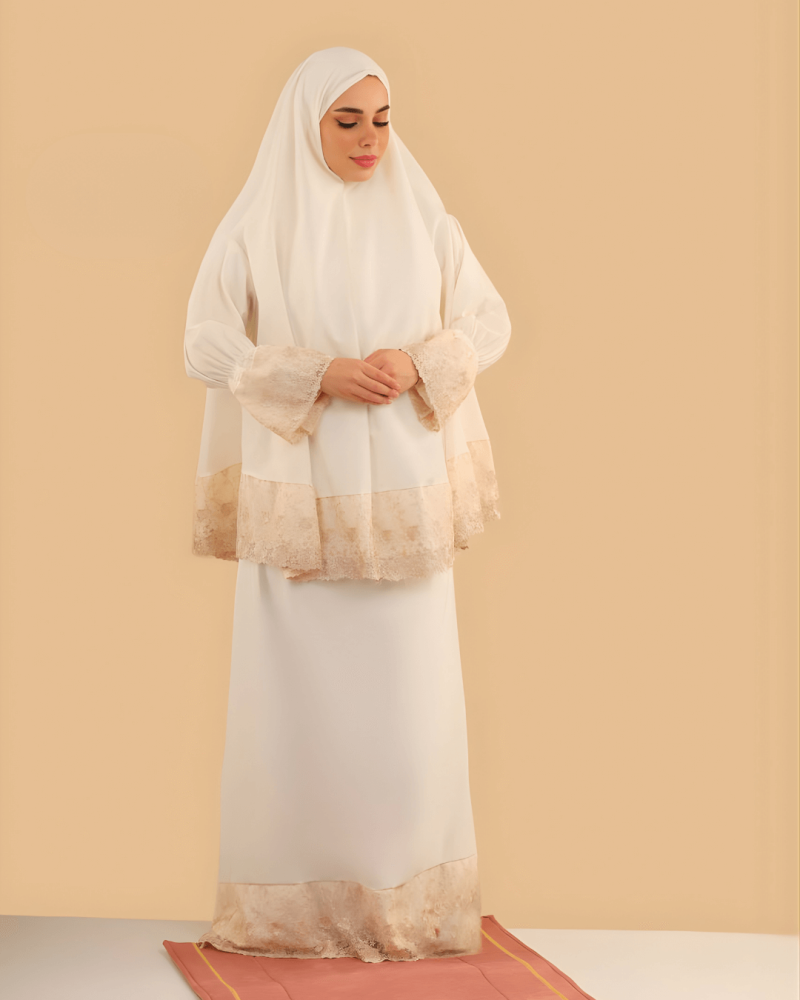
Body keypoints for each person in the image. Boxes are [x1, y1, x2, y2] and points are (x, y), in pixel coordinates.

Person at [183, 46, 511, 964]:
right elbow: (203, 340)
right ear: (308, 125)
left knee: (409, 713)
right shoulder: (262, 220)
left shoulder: (423, 214)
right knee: (299, 713)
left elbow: (488, 319)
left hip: (407, 508)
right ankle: (293, 917)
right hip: (306, 510)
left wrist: (418, 361)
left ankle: (409, 912)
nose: (371, 139)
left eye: (382, 119)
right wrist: (314, 373)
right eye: (348, 121)